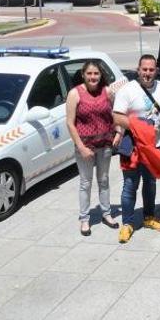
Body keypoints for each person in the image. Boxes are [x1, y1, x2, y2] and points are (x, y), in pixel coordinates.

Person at [113, 54, 160, 243]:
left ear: (156, 71)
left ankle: (148, 217)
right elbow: (117, 117)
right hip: (134, 147)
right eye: (144, 69)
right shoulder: (127, 90)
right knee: (130, 186)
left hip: (155, 146)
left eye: (151, 70)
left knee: (150, 183)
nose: (147, 73)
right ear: (138, 70)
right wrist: (142, 128)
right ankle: (127, 224)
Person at [65, 61, 120, 236]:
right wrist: (80, 147)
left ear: (100, 75)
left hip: (104, 144)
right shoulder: (75, 93)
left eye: (96, 73)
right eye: (89, 73)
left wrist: (119, 132)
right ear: (83, 74)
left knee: (103, 180)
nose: (93, 77)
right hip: (85, 147)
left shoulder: (107, 92)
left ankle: (106, 214)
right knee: (85, 183)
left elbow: (115, 114)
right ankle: (84, 219)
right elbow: (70, 123)